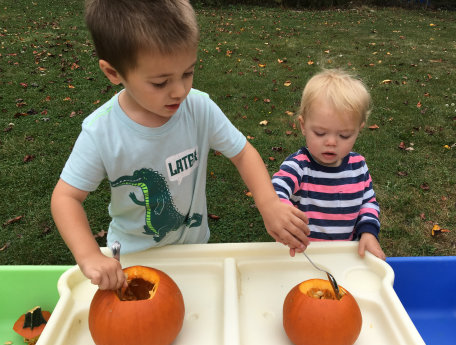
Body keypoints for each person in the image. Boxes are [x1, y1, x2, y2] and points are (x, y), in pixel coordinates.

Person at [51, 0, 310, 291]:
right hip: (133, 261)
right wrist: (88, 255)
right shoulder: (101, 132)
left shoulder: (199, 108)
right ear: (114, 73)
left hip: (194, 253)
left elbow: (242, 153)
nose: (180, 91)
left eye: (187, 73)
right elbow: (65, 198)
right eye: (161, 83)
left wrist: (269, 204)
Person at [272, 69, 386, 260]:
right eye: (320, 133)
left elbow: (368, 203)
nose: (331, 142)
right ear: (303, 126)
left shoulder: (359, 167)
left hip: (345, 255)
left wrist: (368, 232)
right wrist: (281, 213)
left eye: (344, 135)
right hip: (302, 255)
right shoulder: (299, 166)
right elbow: (275, 190)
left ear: (359, 130)